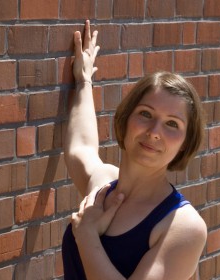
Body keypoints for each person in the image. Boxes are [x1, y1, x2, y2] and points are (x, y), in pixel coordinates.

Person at [62, 20, 207, 280]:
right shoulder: (101, 186)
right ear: (126, 118)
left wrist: (86, 236)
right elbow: (81, 147)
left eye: (172, 124)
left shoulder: (182, 225)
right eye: (145, 114)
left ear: (186, 142)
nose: (154, 131)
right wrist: (84, 81)